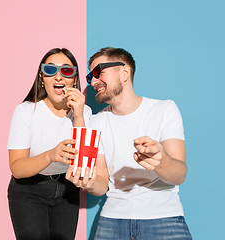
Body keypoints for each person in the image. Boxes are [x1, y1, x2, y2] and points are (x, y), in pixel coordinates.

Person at [66, 47, 192, 239]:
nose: (93, 81)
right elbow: (101, 184)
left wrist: (161, 160)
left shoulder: (164, 110)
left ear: (124, 72)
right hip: (113, 221)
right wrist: (89, 183)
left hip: (164, 217)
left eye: (98, 72)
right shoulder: (97, 122)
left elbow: (179, 174)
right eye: (90, 77)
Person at [7, 48, 92, 240]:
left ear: (75, 79)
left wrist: (78, 115)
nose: (59, 76)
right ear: (42, 77)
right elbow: (17, 168)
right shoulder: (25, 111)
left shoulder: (84, 112)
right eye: (50, 70)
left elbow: (84, 164)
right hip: (29, 189)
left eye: (67, 71)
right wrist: (50, 155)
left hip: (67, 190)